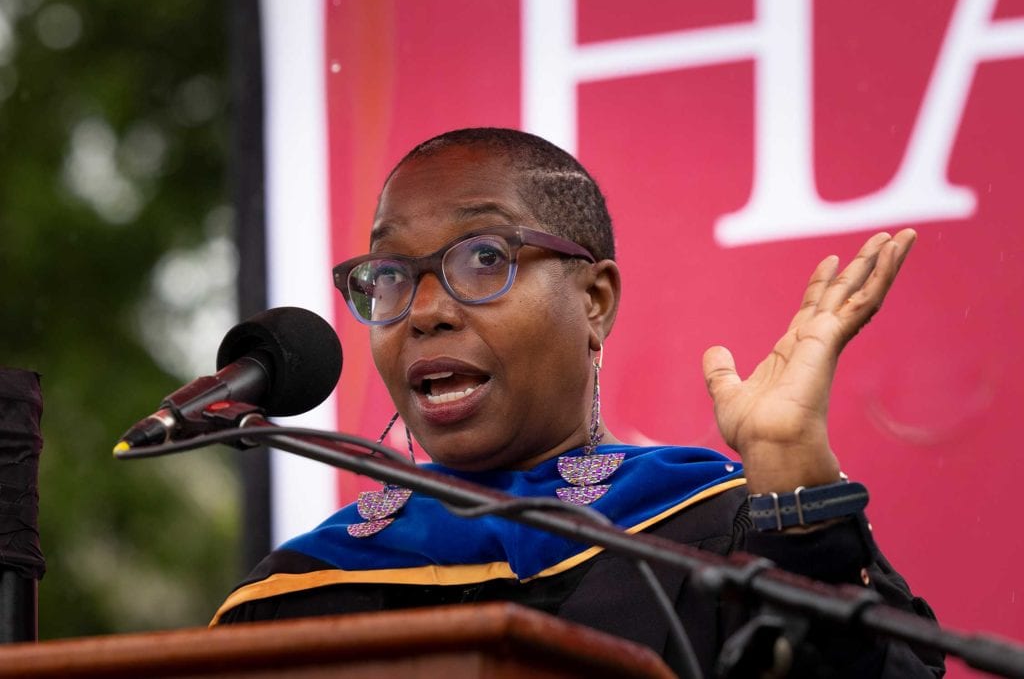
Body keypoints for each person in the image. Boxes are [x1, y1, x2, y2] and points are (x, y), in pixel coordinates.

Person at [213, 128, 944, 677]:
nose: (425, 311)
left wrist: (791, 480)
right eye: (391, 275)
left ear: (594, 300)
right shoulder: (298, 591)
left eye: (484, 257)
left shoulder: (714, 532)